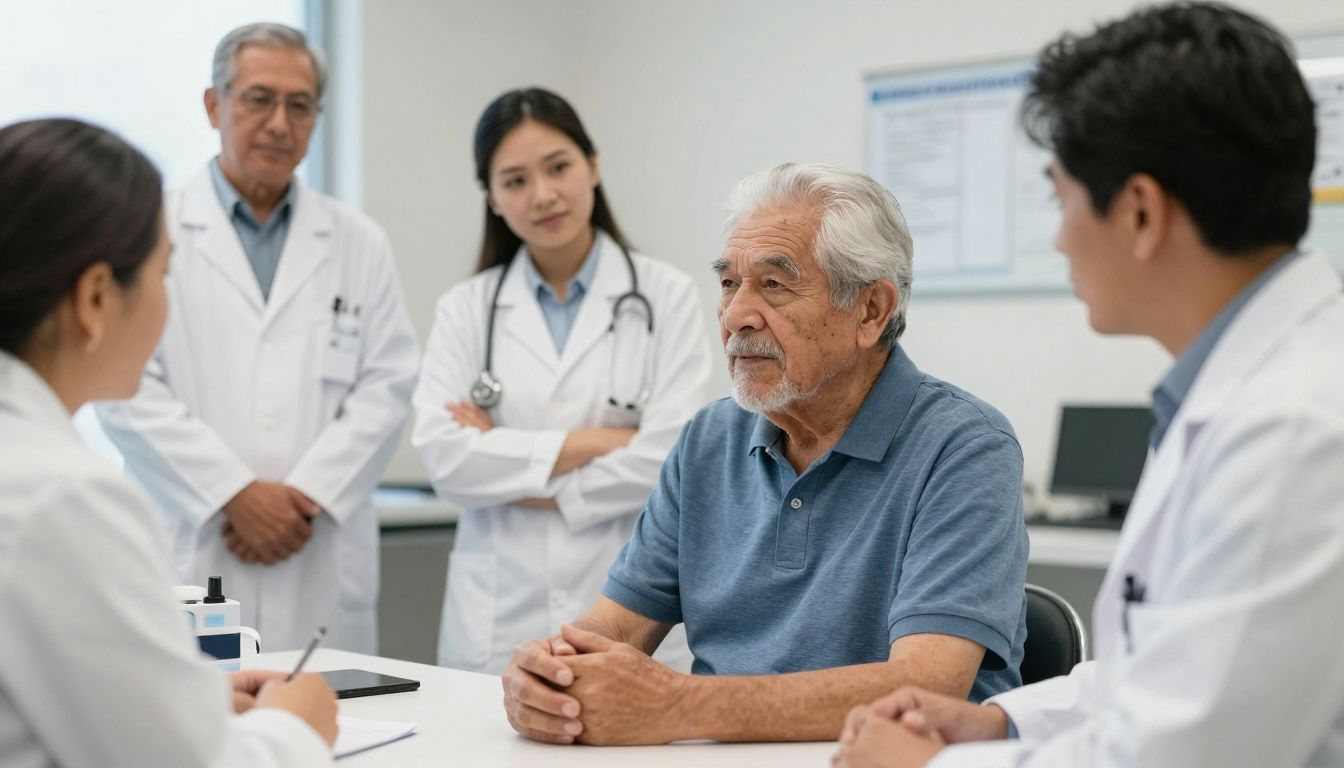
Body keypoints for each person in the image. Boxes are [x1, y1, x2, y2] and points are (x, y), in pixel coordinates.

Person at [832, 4, 1344, 767]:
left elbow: (1188, 753)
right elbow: (1166, 667)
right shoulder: (1242, 393)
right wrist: (1001, 723)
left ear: (1139, 212)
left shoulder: (1294, 430)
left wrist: (930, 765)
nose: (1060, 236)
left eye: (1061, 198)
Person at [502, 162, 1029, 745]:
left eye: (774, 285)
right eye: (729, 283)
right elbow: (614, 628)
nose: (735, 317)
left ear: (871, 312)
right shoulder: (709, 438)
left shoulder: (965, 446)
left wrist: (677, 705)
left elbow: (928, 684)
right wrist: (553, 672)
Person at [0, 117, 338, 766]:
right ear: (96, 298)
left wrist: (189, 701)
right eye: (164, 274)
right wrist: (296, 727)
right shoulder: (63, 499)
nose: (167, 302)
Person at [97, 22, 419, 653]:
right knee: (188, 709)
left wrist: (304, 497)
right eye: (258, 99)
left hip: (316, 546)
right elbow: (121, 384)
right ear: (213, 106)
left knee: (324, 708)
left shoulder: (358, 242)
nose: (278, 123)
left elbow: (389, 383)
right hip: (194, 543)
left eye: (299, 105)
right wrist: (234, 494)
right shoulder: (147, 228)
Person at [412, 87, 711, 674]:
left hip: (629, 598)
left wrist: (509, 466)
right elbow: (446, 460)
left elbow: (669, 459)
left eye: (558, 167)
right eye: (515, 180)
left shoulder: (666, 295)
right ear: (492, 197)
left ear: (592, 166)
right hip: (501, 615)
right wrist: (601, 441)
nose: (543, 194)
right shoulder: (465, 309)